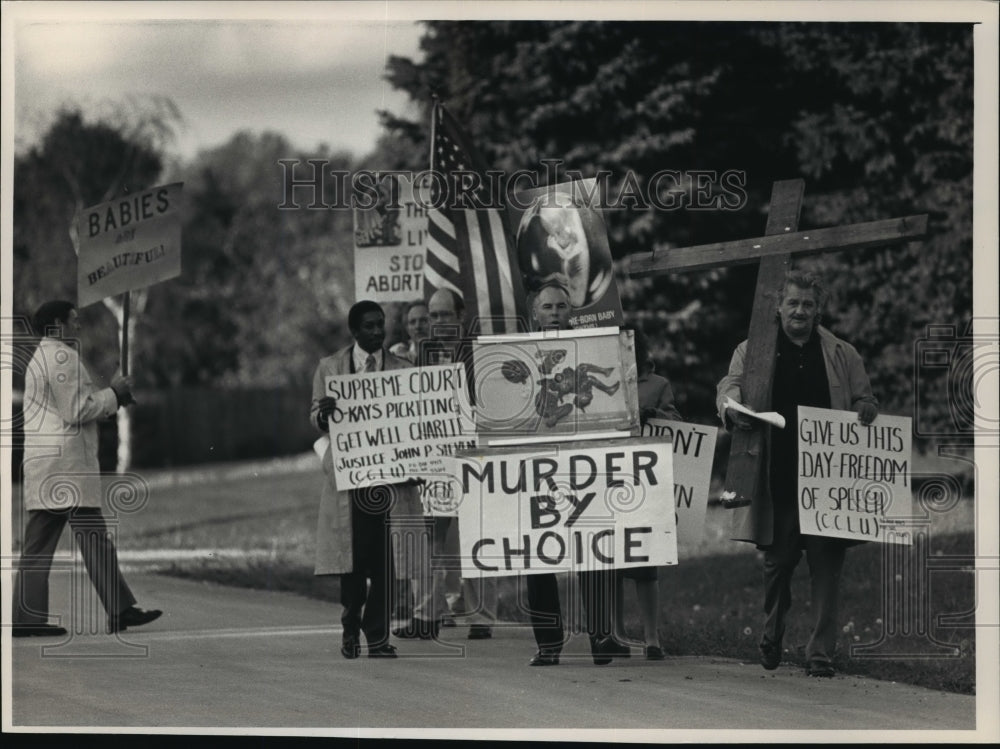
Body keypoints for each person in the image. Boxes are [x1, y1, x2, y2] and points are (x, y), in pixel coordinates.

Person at [716, 270, 879, 677]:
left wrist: (866, 410)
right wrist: (734, 408)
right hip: (779, 476)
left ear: (818, 309)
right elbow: (729, 387)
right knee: (778, 564)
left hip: (829, 482)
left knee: (827, 568)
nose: (800, 311)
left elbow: (865, 398)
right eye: (793, 303)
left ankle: (820, 654)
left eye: (808, 304)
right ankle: (772, 634)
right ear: (778, 307)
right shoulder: (752, 350)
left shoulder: (842, 353)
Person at [13, 301, 162, 637]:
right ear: (57, 325)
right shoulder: (62, 357)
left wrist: (112, 397)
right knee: (94, 539)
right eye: (73, 321)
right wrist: (115, 392)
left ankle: (28, 619)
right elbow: (77, 409)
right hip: (67, 468)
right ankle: (120, 610)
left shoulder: (40, 357)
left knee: (42, 545)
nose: (78, 326)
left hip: (46, 467)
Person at [522, 280, 629, 666]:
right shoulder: (518, 355)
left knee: (594, 552)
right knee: (539, 557)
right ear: (535, 312)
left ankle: (601, 638)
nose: (554, 313)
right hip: (536, 471)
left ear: (572, 312)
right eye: (547, 306)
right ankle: (548, 644)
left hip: (585, 468)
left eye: (561, 307)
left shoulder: (594, 348)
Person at [311, 300, 415, 659]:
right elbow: (315, 417)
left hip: (388, 481)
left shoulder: (402, 368)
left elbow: (415, 420)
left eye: (380, 325)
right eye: (368, 326)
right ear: (353, 331)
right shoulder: (330, 368)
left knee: (387, 562)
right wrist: (323, 414)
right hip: (350, 481)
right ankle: (350, 623)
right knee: (353, 563)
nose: (376, 332)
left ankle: (378, 636)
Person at [416, 288, 498, 641]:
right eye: (433, 316)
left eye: (444, 315)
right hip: (434, 461)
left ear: (460, 316)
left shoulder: (479, 354)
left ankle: (481, 616)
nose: (438, 322)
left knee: (477, 535)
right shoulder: (423, 356)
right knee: (434, 537)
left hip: (472, 457)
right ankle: (432, 611)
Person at [614, 325, 681, 660]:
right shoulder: (600, 383)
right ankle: (617, 634)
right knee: (608, 563)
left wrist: (656, 416)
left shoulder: (657, 385)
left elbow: (676, 426)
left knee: (645, 564)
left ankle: (652, 638)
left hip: (645, 483)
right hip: (606, 483)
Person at [388, 300, 430, 364]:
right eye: (412, 322)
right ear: (407, 329)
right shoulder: (395, 352)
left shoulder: (445, 353)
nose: (417, 326)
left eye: (423, 321)